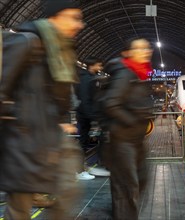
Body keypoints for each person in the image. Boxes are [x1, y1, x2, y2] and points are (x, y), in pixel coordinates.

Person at [0, 0, 85, 219]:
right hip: (22, 142)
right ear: (55, 16)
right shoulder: (26, 42)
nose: (80, 25)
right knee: (19, 209)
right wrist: (19, 119)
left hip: (50, 139)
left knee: (68, 190)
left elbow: (61, 94)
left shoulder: (62, 51)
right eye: (73, 17)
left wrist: (63, 117)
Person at [102, 37, 153, 219]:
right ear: (129, 53)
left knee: (140, 181)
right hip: (122, 140)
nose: (145, 51)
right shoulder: (126, 74)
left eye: (147, 48)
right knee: (128, 187)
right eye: (139, 48)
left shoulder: (138, 75)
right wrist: (132, 120)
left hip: (135, 140)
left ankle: (120, 213)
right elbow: (111, 103)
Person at [75, 57, 110, 180]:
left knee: (88, 142)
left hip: (87, 115)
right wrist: (94, 118)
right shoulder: (86, 79)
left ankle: (97, 165)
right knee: (83, 143)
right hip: (85, 116)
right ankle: (79, 171)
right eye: (98, 65)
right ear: (92, 66)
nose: (100, 68)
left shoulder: (88, 78)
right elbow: (85, 100)